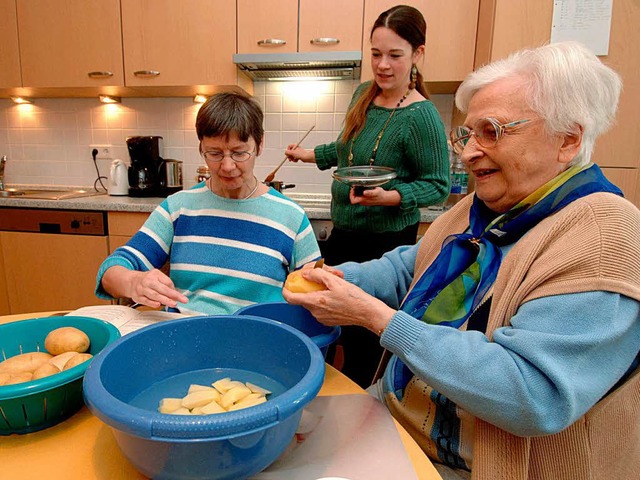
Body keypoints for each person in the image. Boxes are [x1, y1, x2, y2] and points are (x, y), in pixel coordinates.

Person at [283, 41, 640, 479]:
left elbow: (532, 394)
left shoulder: (602, 236)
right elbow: (408, 268)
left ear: (568, 140)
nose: (469, 153)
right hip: (397, 416)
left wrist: (379, 320)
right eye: (468, 134)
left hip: (465, 463)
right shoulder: (486, 207)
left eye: (492, 131)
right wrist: (334, 277)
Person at [284, 4, 450, 387]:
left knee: (367, 340)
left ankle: (366, 409)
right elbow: (347, 151)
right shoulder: (363, 94)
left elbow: (437, 184)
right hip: (345, 233)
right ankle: (330, 394)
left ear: (417, 55)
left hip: (387, 245)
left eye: (395, 55)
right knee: (331, 321)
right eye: (376, 54)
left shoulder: (421, 116)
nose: (383, 65)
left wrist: (389, 198)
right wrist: (309, 155)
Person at [96, 92, 321, 315]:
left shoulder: (291, 216)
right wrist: (134, 281)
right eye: (214, 153)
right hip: (184, 337)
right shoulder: (178, 208)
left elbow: (317, 292)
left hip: (256, 341)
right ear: (201, 148)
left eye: (239, 153)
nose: (227, 166)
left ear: (259, 145)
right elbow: (111, 271)